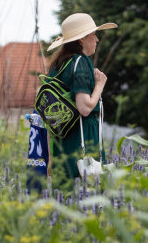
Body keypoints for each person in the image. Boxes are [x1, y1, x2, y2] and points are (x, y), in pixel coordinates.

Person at [46, 13, 117, 187]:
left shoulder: (58, 66)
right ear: (82, 39)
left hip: (62, 142)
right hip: (83, 140)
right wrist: (100, 84)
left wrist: (49, 156)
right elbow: (85, 107)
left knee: (65, 194)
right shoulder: (81, 62)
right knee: (87, 197)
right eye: (93, 35)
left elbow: (49, 115)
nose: (97, 40)